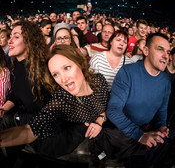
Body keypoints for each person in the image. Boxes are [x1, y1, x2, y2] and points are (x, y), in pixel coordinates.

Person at [0, 45, 110, 160]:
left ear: (80, 63)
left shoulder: (98, 80)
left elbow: (106, 107)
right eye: (56, 74)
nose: (63, 79)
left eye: (67, 68)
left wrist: (100, 120)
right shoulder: (61, 100)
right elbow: (30, 131)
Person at [107, 33, 175, 168]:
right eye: (160, 49)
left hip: (145, 131)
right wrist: (139, 135)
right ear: (146, 50)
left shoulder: (166, 81)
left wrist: (161, 126)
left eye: (168, 52)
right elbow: (113, 111)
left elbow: (161, 111)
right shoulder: (127, 72)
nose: (166, 55)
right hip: (121, 133)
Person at [0, 20, 50, 126]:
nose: (10, 41)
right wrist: (4, 108)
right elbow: (17, 94)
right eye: (11, 36)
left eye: (16, 37)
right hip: (26, 122)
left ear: (29, 41)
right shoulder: (15, 66)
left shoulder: (43, 68)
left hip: (43, 126)